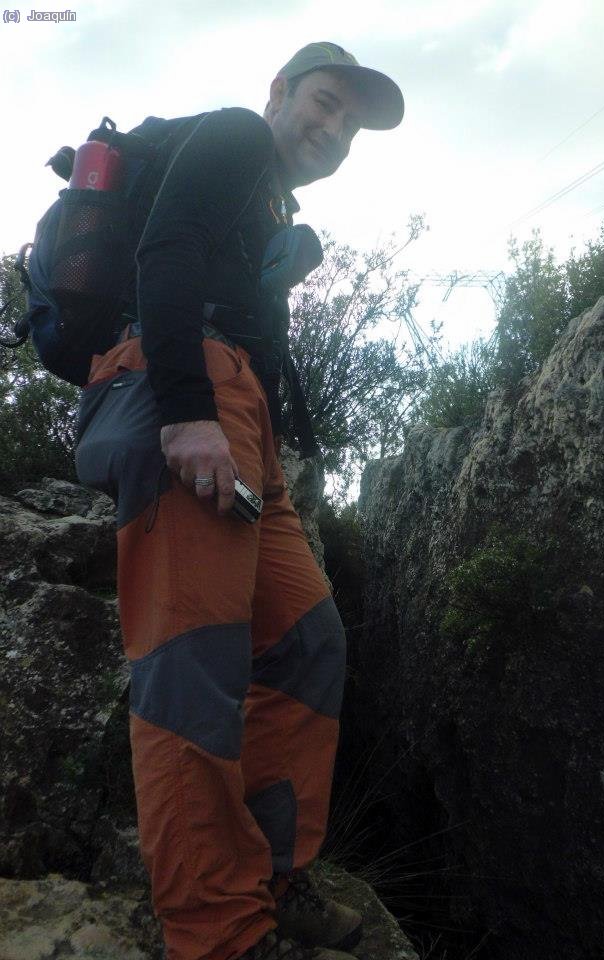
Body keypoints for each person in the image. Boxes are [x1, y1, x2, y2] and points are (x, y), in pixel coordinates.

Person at [74, 41, 404, 960]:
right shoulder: (229, 136)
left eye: (348, 123)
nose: (333, 129)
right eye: (325, 102)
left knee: (307, 640)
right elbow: (165, 245)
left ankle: (270, 875)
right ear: (279, 93)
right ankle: (217, 933)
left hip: (243, 422)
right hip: (186, 395)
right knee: (194, 665)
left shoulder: (270, 202)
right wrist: (185, 414)